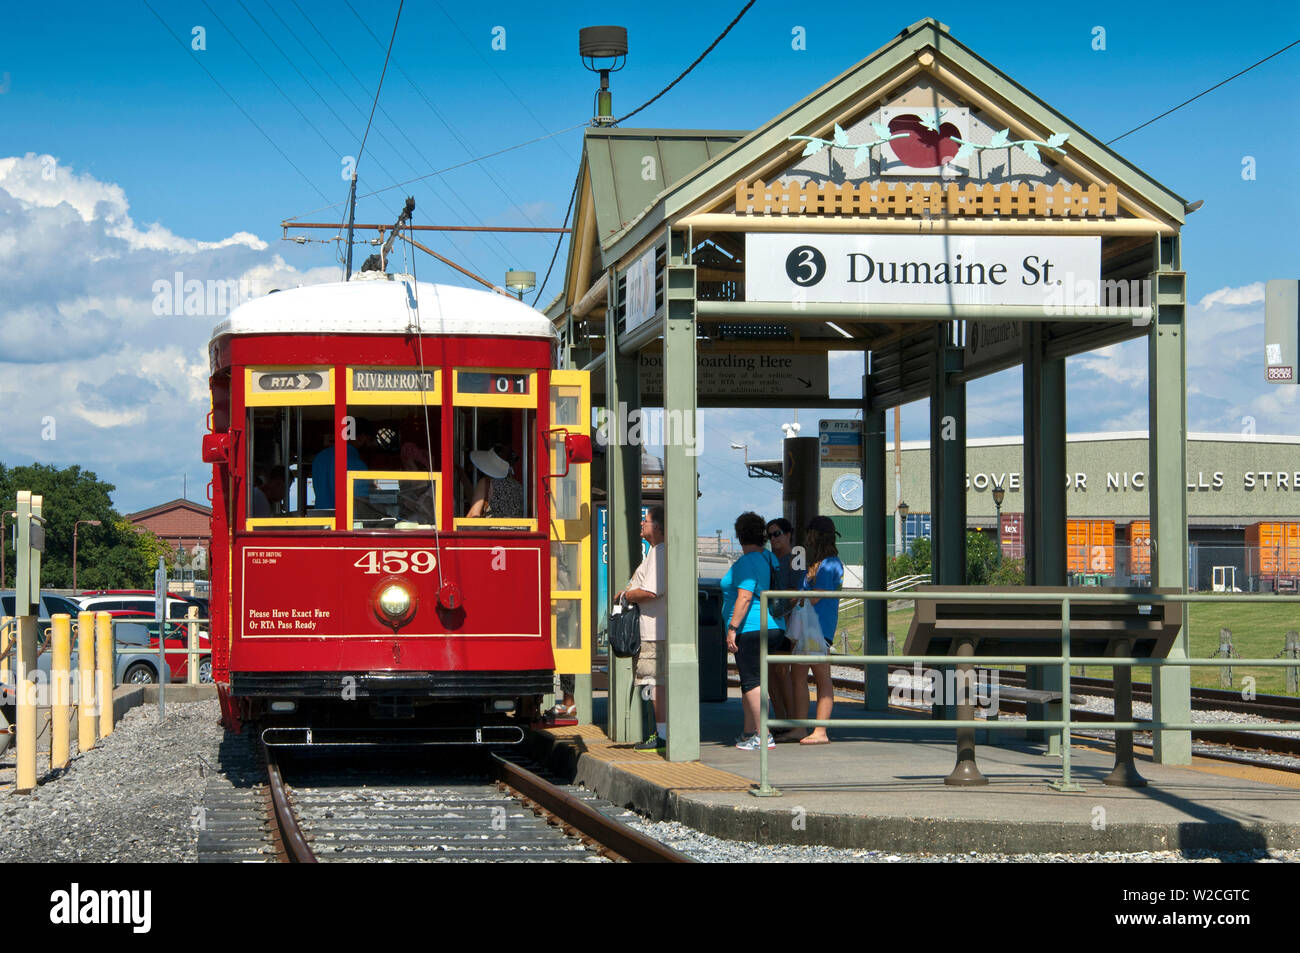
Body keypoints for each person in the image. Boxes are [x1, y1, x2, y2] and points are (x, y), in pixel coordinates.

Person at [722, 511, 787, 750]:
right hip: (774, 626)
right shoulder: (770, 558)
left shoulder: (746, 563)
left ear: (740, 536)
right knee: (752, 681)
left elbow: (745, 596)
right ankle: (749, 732)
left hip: (751, 628)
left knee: (751, 681)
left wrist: (732, 628)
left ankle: (763, 734)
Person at [786, 515, 845, 745]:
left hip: (818, 627)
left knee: (821, 676)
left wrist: (793, 599)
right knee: (798, 675)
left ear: (816, 534)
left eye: (810, 533)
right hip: (809, 626)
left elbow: (817, 596)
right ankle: (801, 728)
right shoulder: (819, 563)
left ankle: (820, 731)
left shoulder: (830, 564)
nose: (807, 538)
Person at [613, 505, 666, 751]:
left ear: (657, 526)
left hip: (653, 630)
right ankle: (657, 732)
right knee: (652, 682)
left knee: (653, 682)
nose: (642, 524)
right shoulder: (657, 552)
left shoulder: (659, 553)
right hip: (654, 628)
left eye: (645, 520)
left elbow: (651, 591)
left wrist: (626, 595)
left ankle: (661, 734)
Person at [764, 517, 801, 732]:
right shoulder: (769, 560)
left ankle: (791, 719)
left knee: (781, 670)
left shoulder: (795, 559)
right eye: (770, 535)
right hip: (772, 623)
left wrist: (783, 613)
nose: (773, 539)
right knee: (770, 672)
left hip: (788, 623)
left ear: (788, 535)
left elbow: (796, 594)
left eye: (777, 534)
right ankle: (780, 718)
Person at [311, 419, 374, 510]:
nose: (370, 444)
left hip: (322, 521)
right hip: (346, 521)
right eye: (370, 440)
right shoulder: (357, 464)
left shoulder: (319, 458)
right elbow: (362, 502)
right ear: (362, 437)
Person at [466, 444, 524, 518]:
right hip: (518, 529)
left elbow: (473, 516)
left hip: (492, 529)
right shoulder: (518, 487)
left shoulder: (485, 483)